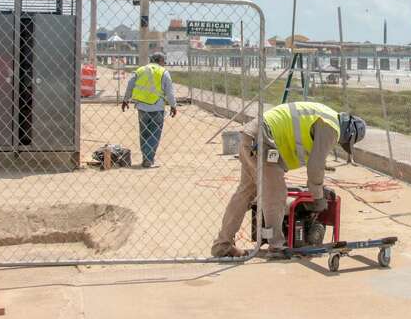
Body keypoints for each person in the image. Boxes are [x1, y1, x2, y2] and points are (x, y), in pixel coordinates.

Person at [212, 101, 366, 258]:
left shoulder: (326, 115)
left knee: (245, 193)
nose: (341, 144)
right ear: (350, 133)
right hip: (263, 141)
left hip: (251, 136)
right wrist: (318, 196)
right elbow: (316, 166)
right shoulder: (332, 127)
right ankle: (276, 246)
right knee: (276, 194)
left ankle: (222, 245)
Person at [121, 52, 177, 168]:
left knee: (144, 133)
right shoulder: (163, 72)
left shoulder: (140, 70)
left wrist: (126, 99)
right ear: (160, 61)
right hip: (157, 107)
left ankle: (145, 158)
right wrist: (173, 106)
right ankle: (149, 159)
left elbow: (130, 84)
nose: (164, 64)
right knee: (154, 134)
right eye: (163, 61)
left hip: (142, 107)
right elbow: (170, 92)